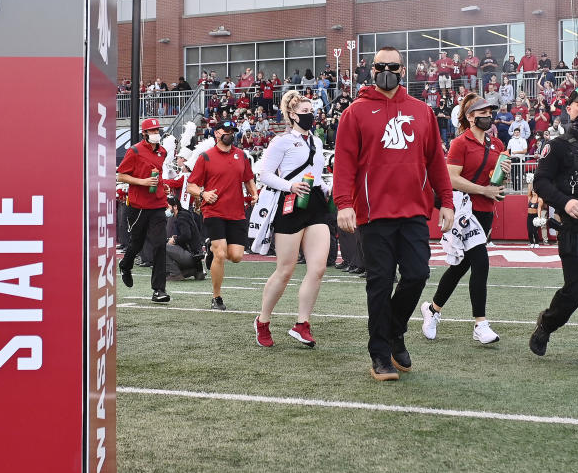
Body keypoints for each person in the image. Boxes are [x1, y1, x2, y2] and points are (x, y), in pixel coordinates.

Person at [333, 46, 454, 381]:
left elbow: (435, 161)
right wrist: (344, 203)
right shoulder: (355, 113)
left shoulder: (422, 111)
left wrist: (446, 200)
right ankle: (380, 355)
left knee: (417, 274)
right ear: (372, 70)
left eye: (393, 66)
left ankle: (394, 331)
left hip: (414, 210)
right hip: (374, 215)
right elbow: (344, 163)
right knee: (380, 283)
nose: (387, 70)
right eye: (380, 65)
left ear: (404, 70)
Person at [420, 95, 509, 345]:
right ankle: (480, 323)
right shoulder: (460, 143)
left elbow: (495, 180)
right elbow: (450, 179)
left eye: (490, 111)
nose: (488, 116)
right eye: (482, 112)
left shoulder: (498, 144)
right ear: (470, 116)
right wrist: (484, 190)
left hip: (486, 210)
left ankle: (433, 309)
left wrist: (500, 181)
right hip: (465, 212)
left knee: (461, 266)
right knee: (480, 263)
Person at [530, 86, 578, 366]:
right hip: (577, 229)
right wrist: (566, 202)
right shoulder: (558, 145)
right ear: (569, 109)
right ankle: (547, 325)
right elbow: (540, 182)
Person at [253, 90, 331, 348]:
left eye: (312, 112)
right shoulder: (281, 141)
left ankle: (302, 324)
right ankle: (263, 321)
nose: (310, 117)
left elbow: (317, 174)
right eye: (305, 113)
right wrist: (290, 186)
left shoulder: (317, 142)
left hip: (316, 203)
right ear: (292, 115)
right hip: (290, 204)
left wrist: (325, 187)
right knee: (285, 270)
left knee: (318, 268)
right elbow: (264, 174)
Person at [187, 119, 257, 311]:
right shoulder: (206, 157)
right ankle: (216, 297)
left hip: (236, 212)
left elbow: (248, 178)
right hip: (214, 211)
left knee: (235, 256)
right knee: (221, 253)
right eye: (226, 131)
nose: (230, 134)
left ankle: (210, 248)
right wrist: (203, 194)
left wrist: (254, 193)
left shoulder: (242, 156)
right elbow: (191, 185)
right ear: (217, 133)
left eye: (232, 131)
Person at [116, 117, 171, 304]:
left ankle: (159, 289)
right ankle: (125, 264)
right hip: (138, 206)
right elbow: (121, 175)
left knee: (159, 245)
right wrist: (143, 182)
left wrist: (165, 187)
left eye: (157, 130)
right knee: (136, 244)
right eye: (153, 131)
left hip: (157, 204)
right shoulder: (135, 151)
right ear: (144, 133)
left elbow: (159, 175)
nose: (156, 133)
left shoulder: (163, 151)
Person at [163, 195, 205, 281]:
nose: (166, 209)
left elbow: (186, 236)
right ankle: (195, 270)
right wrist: (177, 238)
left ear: (175, 207)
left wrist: (174, 240)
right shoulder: (185, 214)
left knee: (161, 247)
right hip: (195, 255)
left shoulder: (181, 217)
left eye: (168, 207)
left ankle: (175, 274)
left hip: (191, 255)